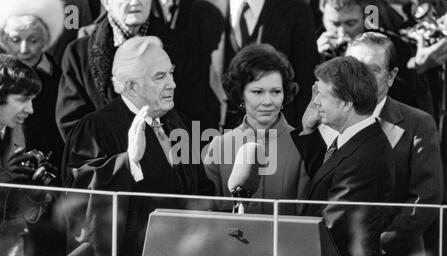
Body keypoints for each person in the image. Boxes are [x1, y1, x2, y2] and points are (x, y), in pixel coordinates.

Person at [62, 36, 212, 256]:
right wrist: (129, 161)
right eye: (160, 77)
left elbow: (200, 189)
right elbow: (83, 210)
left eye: (171, 74)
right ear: (131, 86)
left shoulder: (179, 123)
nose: (172, 84)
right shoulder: (95, 128)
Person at [342, 32, 443, 256]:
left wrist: (378, 244)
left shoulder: (417, 123)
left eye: (373, 70)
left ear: (390, 76)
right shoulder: (321, 122)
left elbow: (427, 199)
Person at [291, 56, 394, 256]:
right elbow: (327, 176)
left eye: (322, 95)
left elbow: (333, 225)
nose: (315, 102)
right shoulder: (355, 142)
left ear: (347, 103)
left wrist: (286, 250)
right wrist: (308, 131)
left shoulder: (366, 155)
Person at [56, 0, 204, 141]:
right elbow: (73, 125)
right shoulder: (78, 54)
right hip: (107, 163)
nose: (135, 1)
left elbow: (197, 115)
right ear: (106, 2)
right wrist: (119, 159)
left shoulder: (184, 48)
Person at [204, 43, 309, 215]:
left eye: (275, 92)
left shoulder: (302, 146)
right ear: (240, 94)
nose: (268, 101)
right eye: (258, 92)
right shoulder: (218, 146)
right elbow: (209, 215)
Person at [188, 0, 318, 130]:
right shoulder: (201, 6)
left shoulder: (297, 9)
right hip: (213, 132)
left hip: (275, 136)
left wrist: (300, 143)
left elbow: (306, 86)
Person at [0, 54, 52, 256]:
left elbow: (23, 215)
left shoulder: (15, 133)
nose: (30, 109)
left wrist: (33, 192)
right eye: (23, 99)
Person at [0, 0, 66, 180]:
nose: (24, 48)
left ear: (45, 41)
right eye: (15, 39)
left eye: (33, 40)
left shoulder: (61, 79)